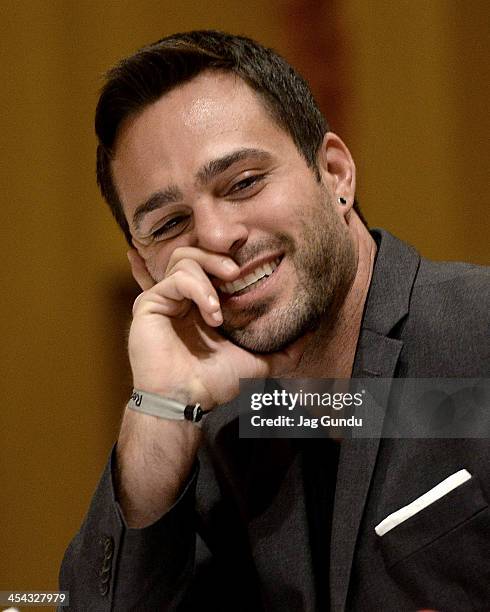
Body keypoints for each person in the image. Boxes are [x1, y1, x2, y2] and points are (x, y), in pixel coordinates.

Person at [59, 31, 490, 611]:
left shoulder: (477, 332)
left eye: (243, 183)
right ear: (144, 269)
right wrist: (162, 405)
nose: (216, 237)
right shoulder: (217, 436)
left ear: (334, 173)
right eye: (168, 224)